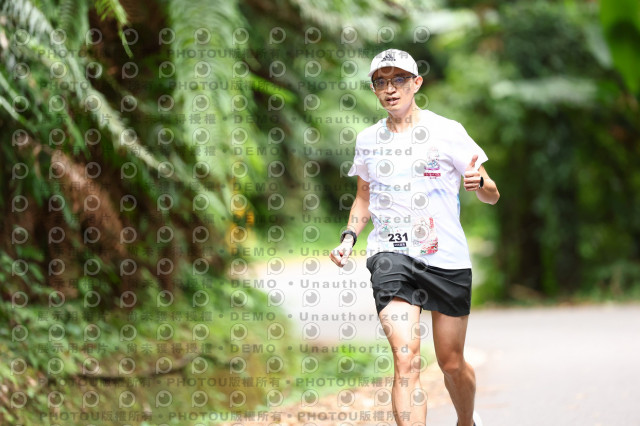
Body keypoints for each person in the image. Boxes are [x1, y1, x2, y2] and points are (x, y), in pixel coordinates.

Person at [330, 49, 500, 426]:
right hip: (391, 255)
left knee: (451, 363)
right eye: (381, 82)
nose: (390, 89)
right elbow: (363, 197)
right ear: (374, 89)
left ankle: (467, 421)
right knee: (406, 359)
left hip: (446, 257)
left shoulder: (447, 131)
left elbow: (492, 193)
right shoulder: (368, 140)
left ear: (416, 83)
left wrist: (480, 184)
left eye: (399, 79)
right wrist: (349, 237)